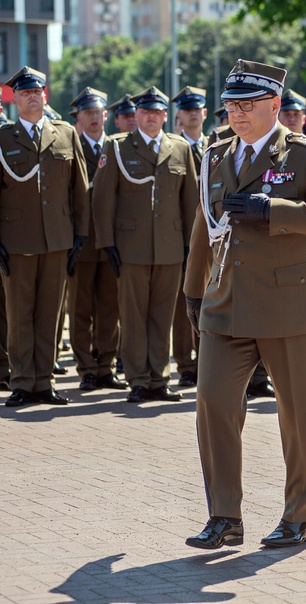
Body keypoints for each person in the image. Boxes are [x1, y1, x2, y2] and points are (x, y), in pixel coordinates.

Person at [183, 59, 306, 549]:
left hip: (290, 305)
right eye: (231, 104)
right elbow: (204, 227)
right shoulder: (215, 155)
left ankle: (298, 516)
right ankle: (224, 516)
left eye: (248, 104)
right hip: (227, 302)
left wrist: (271, 209)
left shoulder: (305, 153)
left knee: (299, 416)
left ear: (274, 105)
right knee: (213, 403)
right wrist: (194, 293)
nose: (236, 112)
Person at [92, 86, 198, 404]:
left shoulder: (179, 148)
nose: (151, 117)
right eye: (145, 112)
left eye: (157, 112)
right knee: (134, 316)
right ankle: (138, 379)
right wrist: (107, 243)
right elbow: (102, 198)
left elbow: (190, 198)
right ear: (136, 115)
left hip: (170, 246)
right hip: (131, 246)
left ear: (166, 116)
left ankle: (159, 378)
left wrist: (190, 244)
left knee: (162, 315)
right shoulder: (118, 147)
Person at [1, 67, 89, 407]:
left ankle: (44, 381)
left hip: (58, 238)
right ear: (15, 99)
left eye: (37, 92)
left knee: (51, 314)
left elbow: (78, 188)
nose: (32, 97)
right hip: (17, 239)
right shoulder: (4, 138)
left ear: (45, 96)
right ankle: (22, 381)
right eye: (25, 93)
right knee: (20, 313)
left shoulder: (65, 134)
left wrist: (80, 233)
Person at [67, 87, 127, 392]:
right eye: (87, 113)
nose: (93, 118)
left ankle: (106, 367)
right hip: (82, 241)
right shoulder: (71, 145)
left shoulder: (116, 148)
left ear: (106, 116)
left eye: (97, 112)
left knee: (109, 308)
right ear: (78, 118)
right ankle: (86, 369)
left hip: (111, 243)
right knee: (80, 310)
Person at [169, 86, 208, 388]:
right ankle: (185, 363)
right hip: (181, 236)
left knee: (211, 300)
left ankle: (207, 359)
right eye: (187, 109)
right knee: (185, 303)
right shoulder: (172, 146)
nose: (193, 113)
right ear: (178, 116)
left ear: (204, 113)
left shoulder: (218, 146)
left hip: (213, 237)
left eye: (197, 109)